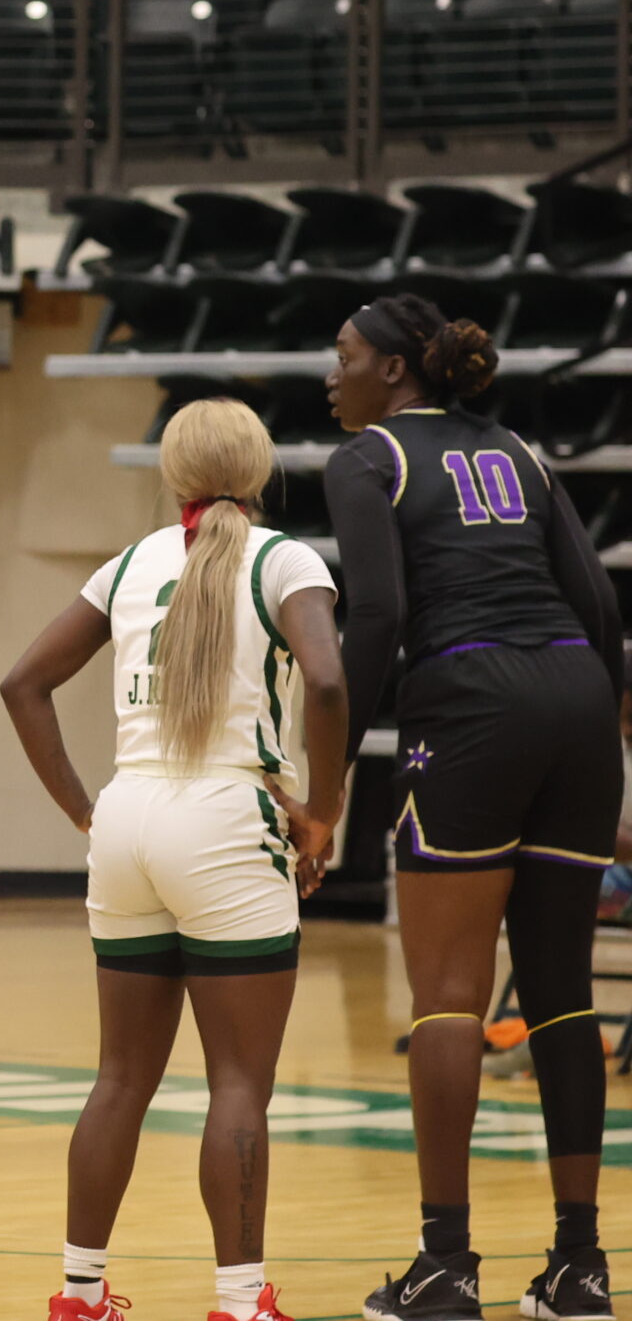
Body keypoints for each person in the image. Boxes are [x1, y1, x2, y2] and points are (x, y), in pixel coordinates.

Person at [1, 397, 350, 1321]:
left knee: (119, 1076)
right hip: (228, 819)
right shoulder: (287, 560)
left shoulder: (129, 562)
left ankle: (79, 1295)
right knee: (238, 1082)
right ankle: (241, 1302)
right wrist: (324, 812)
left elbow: (21, 683)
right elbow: (325, 679)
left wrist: (87, 813)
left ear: (173, 475)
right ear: (263, 468)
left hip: (127, 815)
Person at [323, 294, 623, 1321]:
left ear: (395, 372)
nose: (333, 373)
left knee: (448, 995)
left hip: (469, 695)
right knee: (563, 993)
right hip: (578, 695)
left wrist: (327, 778)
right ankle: (579, 1266)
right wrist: (602, 734)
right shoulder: (521, 453)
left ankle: (444, 1265)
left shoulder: (366, 460)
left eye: (346, 354)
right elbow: (597, 604)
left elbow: (377, 616)